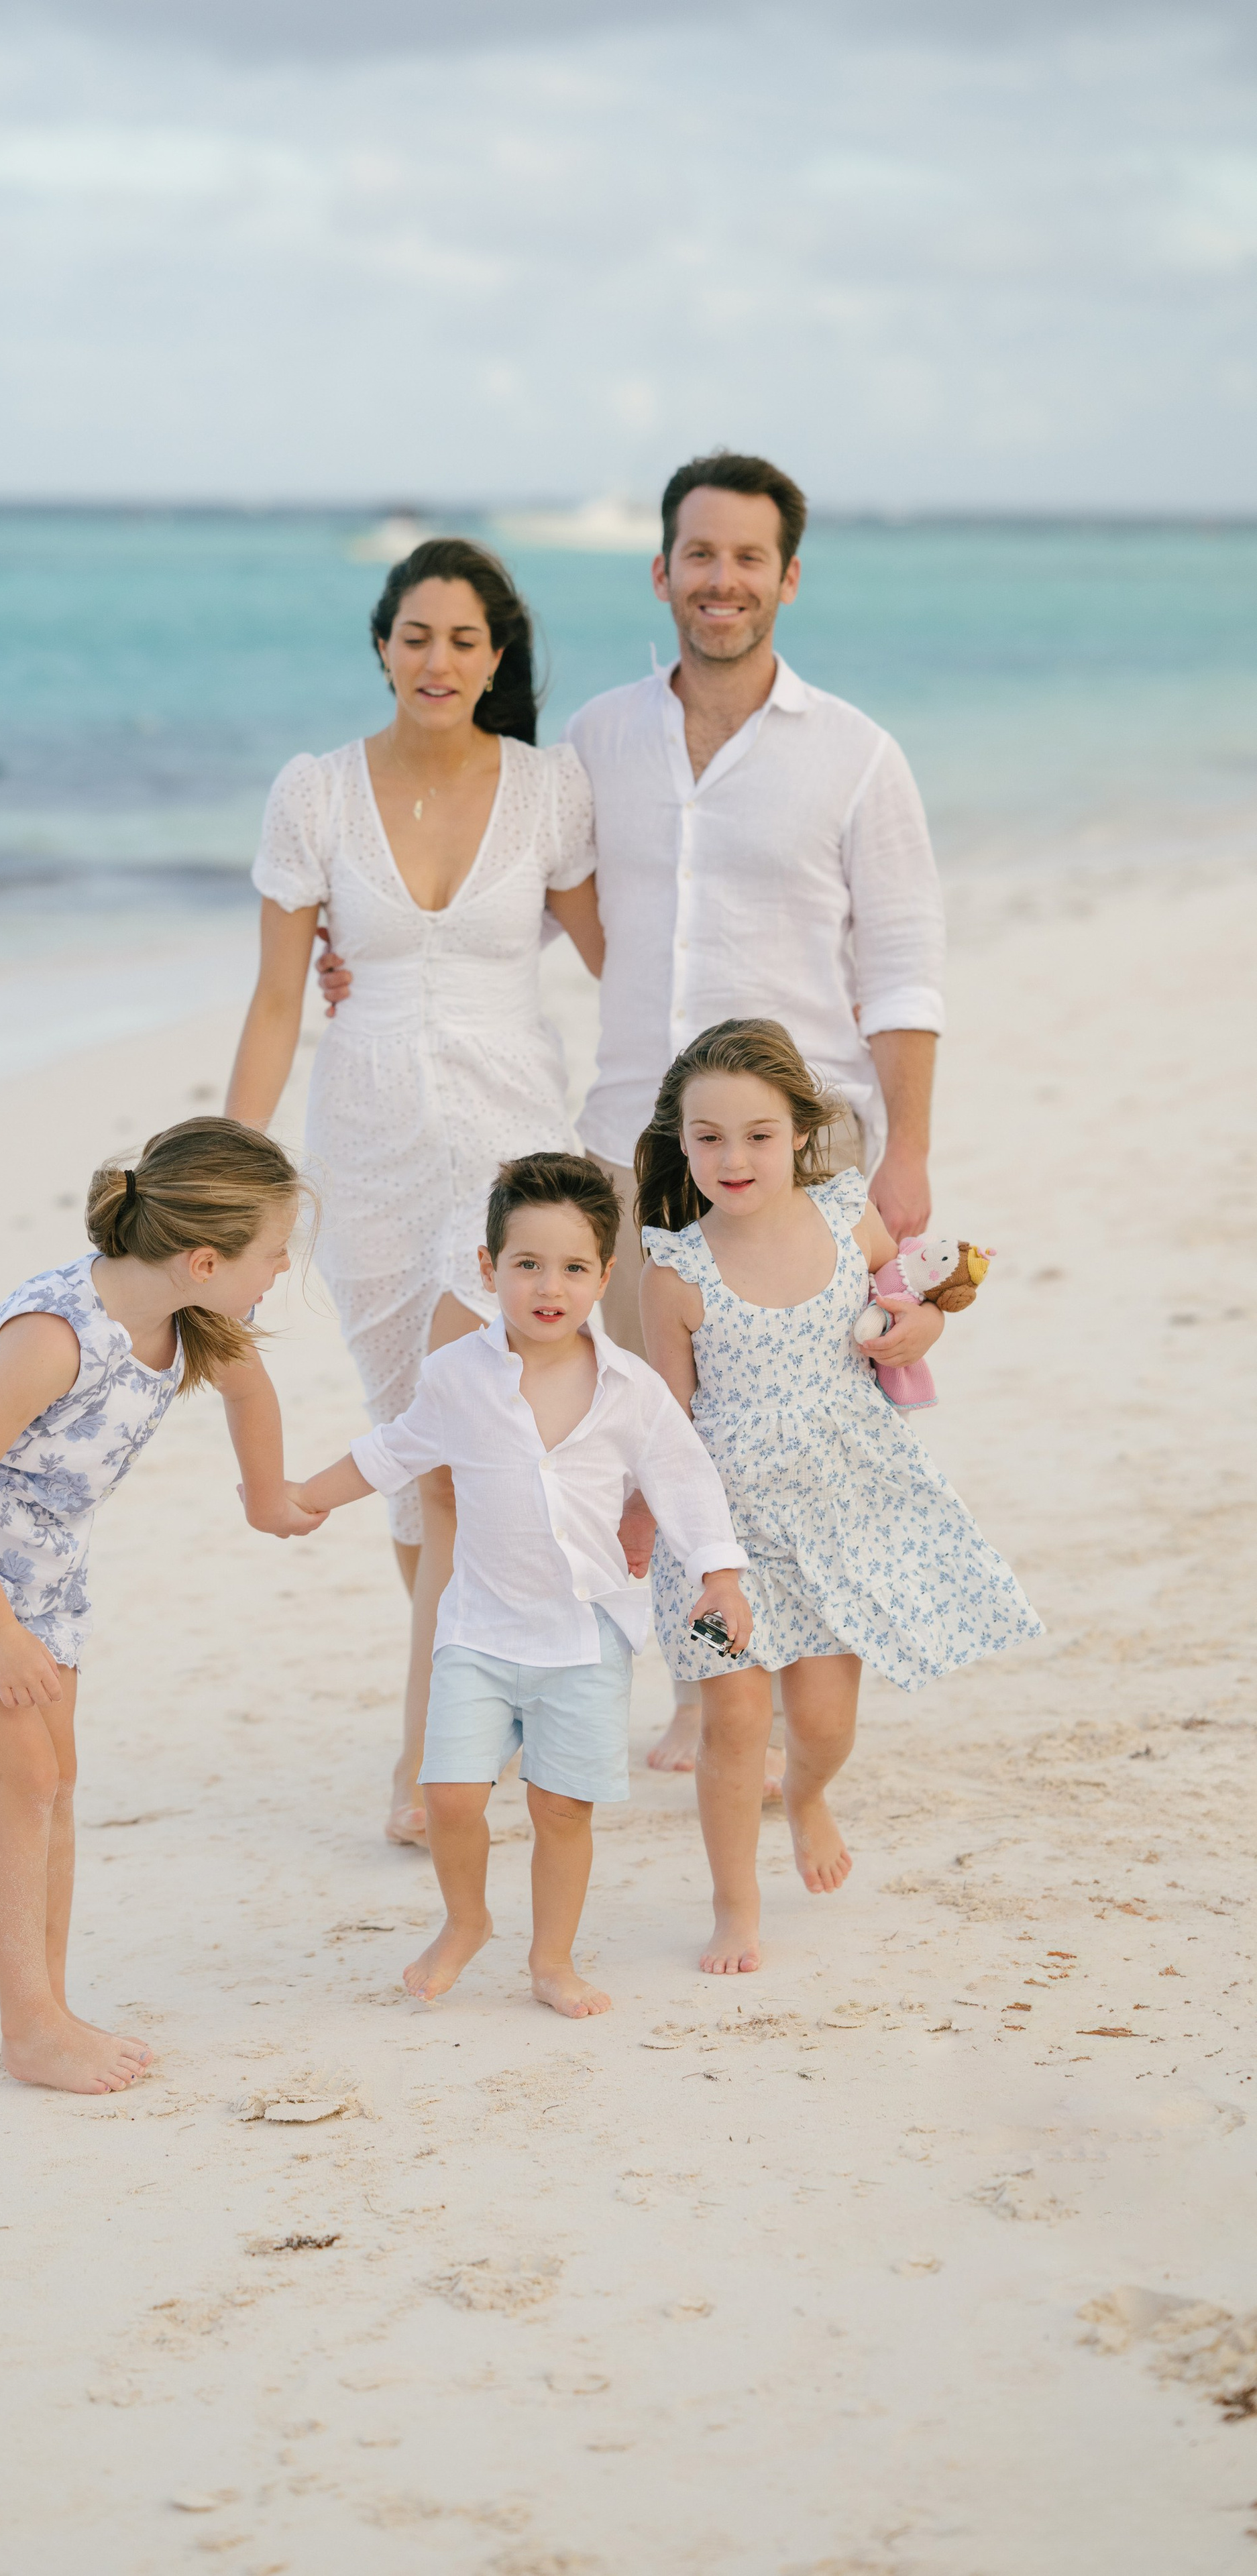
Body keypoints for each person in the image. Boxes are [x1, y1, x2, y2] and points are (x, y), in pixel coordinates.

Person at [316, 452, 948, 1782]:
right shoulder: (600, 739)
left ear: (787, 578)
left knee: (789, 1441)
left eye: (748, 557)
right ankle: (700, 1693)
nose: (722, 580)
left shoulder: (855, 756)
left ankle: (786, 1696)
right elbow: (516, 893)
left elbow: (901, 970)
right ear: (661, 571)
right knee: (646, 1427)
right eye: (699, 555)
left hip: (797, 1150)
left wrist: (909, 1155)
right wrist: (362, 950)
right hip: (628, 1144)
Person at [225, 539, 604, 1850]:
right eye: (417, 636)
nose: (438, 660)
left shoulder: (550, 791)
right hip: (369, 1158)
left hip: (514, 1160)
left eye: (464, 640)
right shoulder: (314, 794)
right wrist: (228, 1175)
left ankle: (426, 1761)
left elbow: (622, 965)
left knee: (459, 1458)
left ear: (497, 658)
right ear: (382, 646)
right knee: (411, 1457)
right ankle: (478, 1692)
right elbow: (277, 1001)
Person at [0, 1118, 323, 2096]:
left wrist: (266, 1496)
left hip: (40, 1562)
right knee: (23, 1776)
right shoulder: (55, 1339)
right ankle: (30, 2030)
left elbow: (251, 1394)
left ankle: (49, 2009)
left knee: (57, 1779)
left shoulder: (186, 1316)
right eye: (275, 1252)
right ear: (204, 1258)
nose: (282, 1269)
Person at [288, 1153, 750, 2016]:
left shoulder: (630, 1388)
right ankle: (466, 1921)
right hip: (479, 1629)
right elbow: (394, 1448)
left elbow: (684, 1479)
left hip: (582, 1637)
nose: (549, 1286)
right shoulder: (456, 1375)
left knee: (561, 1809)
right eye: (527, 1263)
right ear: (487, 1267)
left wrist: (720, 1575)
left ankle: (552, 1961)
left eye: (573, 1268)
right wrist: (306, 1496)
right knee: (448, 1794)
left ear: (604, 1277)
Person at [635, 1020, 1042, 1976]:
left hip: (840, 1512)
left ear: (800, 1132)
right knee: (735, 1724)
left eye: (758, 1135)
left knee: (823, 1726)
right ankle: (735, 1905)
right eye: (708, 1137)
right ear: (680, 1141)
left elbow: (907, 1306)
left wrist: (921, 1328)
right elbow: (667, 1425)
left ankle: (809, 1796)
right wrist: (655, 1524)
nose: (733, 1158)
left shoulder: (846, 1218)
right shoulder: (673, 1273)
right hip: (729, 1534)